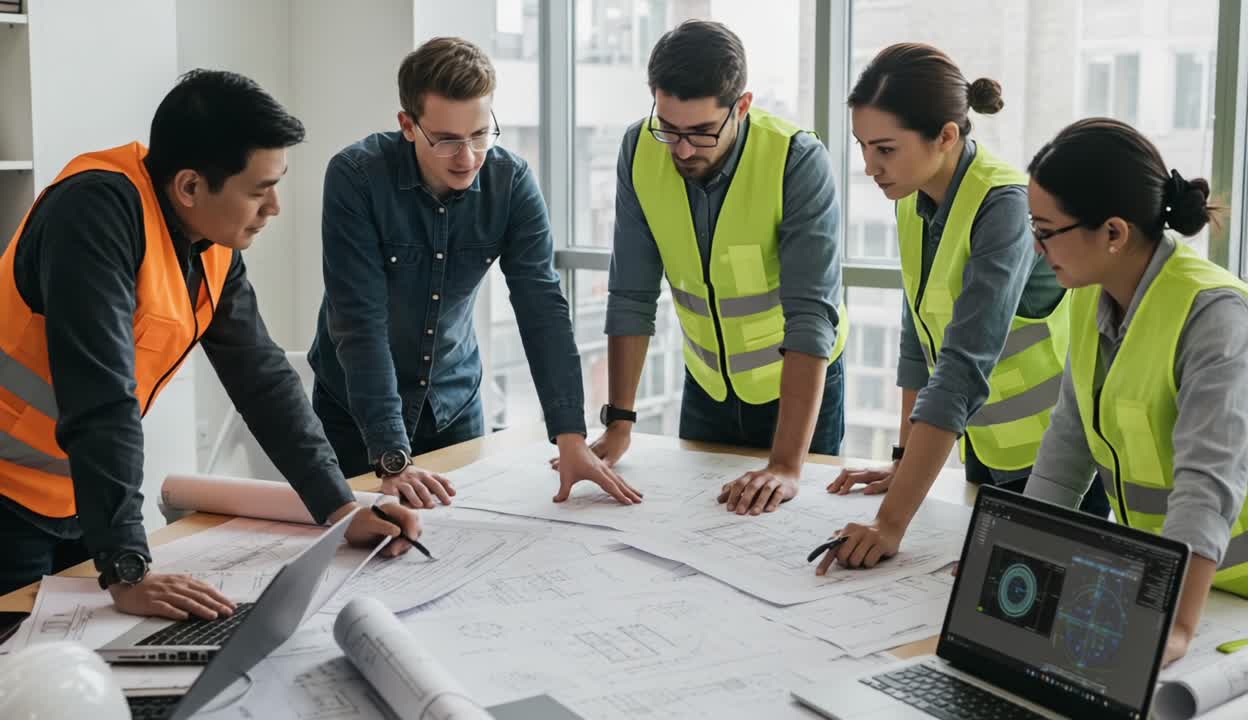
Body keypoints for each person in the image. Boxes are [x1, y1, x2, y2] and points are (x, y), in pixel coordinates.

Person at [0, 70, 420, 616]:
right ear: (191, 187)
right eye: (260, 190)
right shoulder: (92, 214)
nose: (275, 209)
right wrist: (127, 566)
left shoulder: (209, 244)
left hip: (77, 497)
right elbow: (100, 394)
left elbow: (262, 379)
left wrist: (341, 509)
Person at [308, 37, 640, 508]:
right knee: (361, 553)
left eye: (480, 135)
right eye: (446, 140)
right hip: (356, 415)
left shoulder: (511, 181)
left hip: (453, 407)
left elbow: (541, 306)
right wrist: (392, 457)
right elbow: (359, 322)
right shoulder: (355, 177)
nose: (467, 158)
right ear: (408, 125)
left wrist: (571, 436)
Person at [818, 43, 1105, 574]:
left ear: (946, 136)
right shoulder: (913, 196)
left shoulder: (1006, 205)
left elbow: (961, 368)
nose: (868, 167)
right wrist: (903, 465)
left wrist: (889, 523)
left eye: (885, 149)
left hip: (1061, 467)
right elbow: (917, 338)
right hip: (988, 452)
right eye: (862, 147)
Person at [1024, 118, 1248, 664]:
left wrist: (1178, 626)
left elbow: (1206, 480)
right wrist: (1017, 557)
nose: (1037, 247)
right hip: (1191, 585)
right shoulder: (1091, 296)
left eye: (1045, 231)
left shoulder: (1214, 315)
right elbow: (1067, 447)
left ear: (1113, 233)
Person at [577, 19, 848, 515]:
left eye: (701, 132)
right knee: (698, 529)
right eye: (669, 128)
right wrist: (619, 422)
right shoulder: (638, 150)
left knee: (789, 533)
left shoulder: (796, 159)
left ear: (742, 107)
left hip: (799, 394)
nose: (681, 149)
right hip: (706, 387)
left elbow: (811, 316)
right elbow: (631, 295)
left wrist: (786, 467)